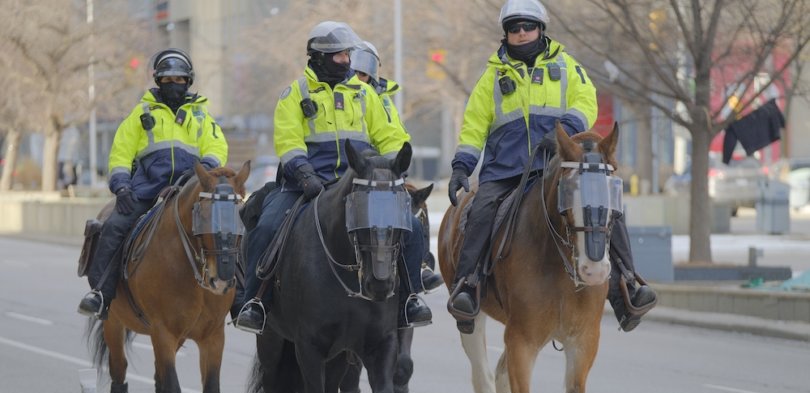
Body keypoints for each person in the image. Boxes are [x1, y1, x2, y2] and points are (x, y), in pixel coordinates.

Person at [446, 0, 656, 333]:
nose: (521, 33)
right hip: (506, 171)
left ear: (540, 29)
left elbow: (586, 100)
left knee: (602, 200)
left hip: (556, 164)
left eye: (527, 26)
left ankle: (626, 285)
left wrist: (564, 130)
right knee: (481, 209)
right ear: (506, 34)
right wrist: (462, 166)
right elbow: (474, 126)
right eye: (514, 28)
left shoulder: (566, 66)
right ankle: (468, 287)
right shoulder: (491, 78)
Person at [235, 21, 432, 333]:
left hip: (361, 183)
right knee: (267, 225)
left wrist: (394, 168)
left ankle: (409, 298)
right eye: (340, 56)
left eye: (347, 55)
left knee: (410, 221)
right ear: (318, 57)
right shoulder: (295, 93)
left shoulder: (365, 94)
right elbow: (288, 140)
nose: (346, 61)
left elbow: (391, 135)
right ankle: (255, 301)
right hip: (309, 184)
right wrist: (304, 174)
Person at [78, 48, 228, 318]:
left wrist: (203, 172)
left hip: (190, 190)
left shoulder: (201, 116)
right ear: (158, 81)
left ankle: (238, 300)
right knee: (114, 227)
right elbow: (121, 153)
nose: (174, 85)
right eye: (168, 80)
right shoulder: (139, 114)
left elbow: (217, 148)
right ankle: (101, 293)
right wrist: (122, 186)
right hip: (147, 191)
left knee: (230, 228)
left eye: (179, 80)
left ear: (188, 81)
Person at [350, 40, 443, 292]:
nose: (357, 78)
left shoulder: (382, 100)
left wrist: (396, 169)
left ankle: (417, 273)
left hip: (378, 177)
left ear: (371, 74)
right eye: (353, 73)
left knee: (413, 207)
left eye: (362, 73)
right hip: (343, 174)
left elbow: (392, 137)